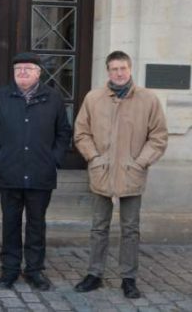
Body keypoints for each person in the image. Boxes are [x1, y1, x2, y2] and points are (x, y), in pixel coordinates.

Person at [73, 50, 167, 299]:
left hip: (131, 173)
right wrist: (93, 157)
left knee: (130, 229)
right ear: (108, 71)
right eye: (114, 69)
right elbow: (81, 132)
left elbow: (158, 137)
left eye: (123, 68)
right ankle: (94, 273)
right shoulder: (93, 98)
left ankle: (129, 278)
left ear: (130, 69)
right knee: (98, 227)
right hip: (101, 172)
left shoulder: (148, 99)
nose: (119, 73)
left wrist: (139, 163)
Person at [0, 52, 72, 291]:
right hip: (9, 171)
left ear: (38, 72)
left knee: (36, 224)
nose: (22, 72)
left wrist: (54, 159)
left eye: (28, 69)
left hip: (41, 172)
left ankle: (34, 270)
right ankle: (10, 269)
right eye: (18, 69)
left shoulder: (53, 98)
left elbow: (64, 133)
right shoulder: (0, 97)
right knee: (10, 223)